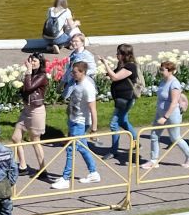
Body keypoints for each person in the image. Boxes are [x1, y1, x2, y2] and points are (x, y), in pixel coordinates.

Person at [49, 59, 102, 189]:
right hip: (74, 120)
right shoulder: (76, 83)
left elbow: (93, 109)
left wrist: (94, 128)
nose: (72, 74)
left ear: (83, 72)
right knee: (83, 148)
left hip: (80, 122)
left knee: (71, 149)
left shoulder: (87, 87)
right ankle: (93, 173)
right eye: (72, 72)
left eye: (75, 72)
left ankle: (66, 178)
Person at [142, 60, 189, 169]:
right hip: (160, 113)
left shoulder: (174, 83)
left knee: (175, 138)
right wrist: (159, 114)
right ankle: (153, 160)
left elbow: (174, 102)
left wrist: (165, 117)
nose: (160, 71)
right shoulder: (163, 81)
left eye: (162, 70)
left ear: (170, 71)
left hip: (171, 115)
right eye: (160, 69)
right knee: (154, 135)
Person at [106, 45, 140, 160]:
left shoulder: (131, 66)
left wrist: (105, 64)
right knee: (123, 121)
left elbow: (115, 77)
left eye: (119, 53)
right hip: (120, 98)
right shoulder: (122, 64)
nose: (117, 55)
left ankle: (114, 150)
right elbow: (114, 75)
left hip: (126, 99)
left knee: (114, 124)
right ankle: (136, 141)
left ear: (125, 55)